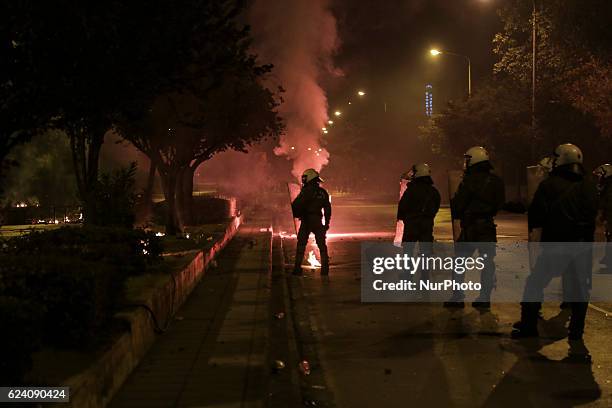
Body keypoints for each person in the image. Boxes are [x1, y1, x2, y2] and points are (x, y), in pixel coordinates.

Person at [512, 143, 599, 340]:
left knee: (535, 284)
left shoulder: (549, 185)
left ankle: (528, 326)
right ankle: (576, 331)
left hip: (557, 245)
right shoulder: (589, 185)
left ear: (560, 160)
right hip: (583, 246)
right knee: (580, 289)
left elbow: (537, 215)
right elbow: (593, 213)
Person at [444, 146, 505, 309]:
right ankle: (484, 297)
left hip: (471, 228)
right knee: (487, 263)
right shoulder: (496, 181)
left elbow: (458, 206)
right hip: (487, 226)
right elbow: (500, 203)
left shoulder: (468, 181)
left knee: (460, 261)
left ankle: (457, 296)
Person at [397, 163, 441, 280]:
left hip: (412, 224)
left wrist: (404, 217)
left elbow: (402, 207)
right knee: (425, 252)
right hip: (426, 225)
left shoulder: (411, 190)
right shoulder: (433, 191)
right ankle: (425, 276)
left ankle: (408, 274)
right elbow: (436, 207)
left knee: (408, 250)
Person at [292, 168, 331, 276]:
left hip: (306, 221)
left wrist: (296, 213)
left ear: (309, 178)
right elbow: (328, 209)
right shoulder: (323, 192)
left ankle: (297, 269)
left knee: (301, 245)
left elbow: (297, 205)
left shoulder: (306, 191)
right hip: (317, 221)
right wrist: (326, 224)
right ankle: (325, 270)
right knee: (322, 246)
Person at [594, 163, 612, 271]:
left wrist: (605, 217)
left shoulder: (610, 187)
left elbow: (608, 204)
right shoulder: (608, 187)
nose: (599, 178)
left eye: (600, 175)